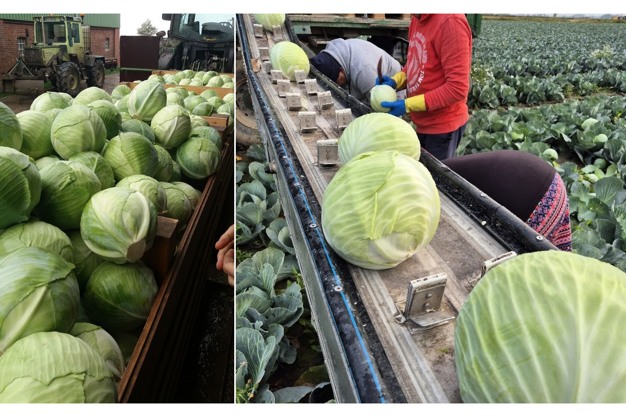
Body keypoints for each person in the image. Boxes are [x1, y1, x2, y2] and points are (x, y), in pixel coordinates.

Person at [377, 14, 473, 160]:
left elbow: (457, 89)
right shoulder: (417, 18)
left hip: (442, 128)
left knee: (434, 174)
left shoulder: (451, 22)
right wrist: (395, 81)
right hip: (423, 122)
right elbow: (416, 62)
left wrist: (408, 105)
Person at [443, 150, 572, 251]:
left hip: (538, 199)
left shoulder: (437, 177)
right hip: (539, 174)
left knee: (518, 257)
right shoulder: (439, 171)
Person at [309, 38, 403, 102]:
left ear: (342, 70)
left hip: (395, 85)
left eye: (336, 81)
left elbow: (377, 104)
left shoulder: (364, 70)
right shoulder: (332, 51)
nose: (337, 85)